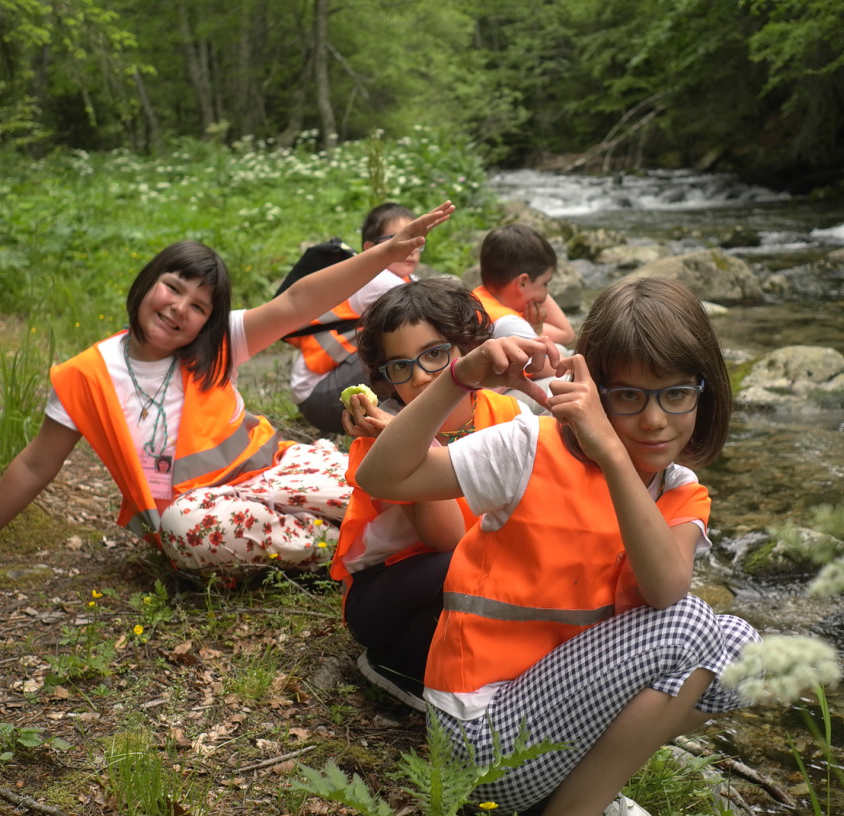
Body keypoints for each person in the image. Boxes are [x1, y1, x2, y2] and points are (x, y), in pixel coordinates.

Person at [358, 276, 761, 816]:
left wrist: (615, 457)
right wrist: (458, 376)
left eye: (677, 394)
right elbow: (383, 477)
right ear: (589, 388)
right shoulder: (530, 446)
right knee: (687, 625)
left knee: (741, 647)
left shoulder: (682, 492)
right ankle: (579, 808)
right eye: (626, 396)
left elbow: (663, 581)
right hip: (481, 734)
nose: (655, 419)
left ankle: (578, 792)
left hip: (558, 723)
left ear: (703, 392)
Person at [0, 202, 455, 579]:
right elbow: (35, 465)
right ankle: (354, 548)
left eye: (199, 305)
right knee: (187, 528)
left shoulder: (217, 344)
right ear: (146, 285)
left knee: (372, 481)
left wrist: (383, 253)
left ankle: (426, 527)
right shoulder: (86, 376)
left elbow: (296, 303)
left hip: (278, 471)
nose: (179, 310)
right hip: (202, 510)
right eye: (172, 288)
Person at [333, 278, 529, 710]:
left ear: (467, 350)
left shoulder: (510, 414)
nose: (420, 377)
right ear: (386, 376)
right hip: (387, 591)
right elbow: (448, 539)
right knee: (461, 567)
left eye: (435, 354)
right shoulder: (384, 440)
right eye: (401, 366)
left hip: (474, 576)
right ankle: (396, 662)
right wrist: (413, 444)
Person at [287, 202, 423, 434]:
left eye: (416, 240)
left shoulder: (408, 280)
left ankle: (407, 418)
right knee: (413, 348)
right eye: (398, 240)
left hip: (326, 386)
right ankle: (408, 425)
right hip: (320, 396)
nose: (411, 249)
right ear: (371, 249)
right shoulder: (378, 279)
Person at [470, 223, 571, 410]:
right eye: (545, 284)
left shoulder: (480, 297)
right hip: (481, 404)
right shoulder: (508, 323)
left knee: (559, 350)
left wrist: (536, 329)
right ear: (523, 281)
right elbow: (552, 369)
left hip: (483, 391)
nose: (545, 294)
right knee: (570, 385)